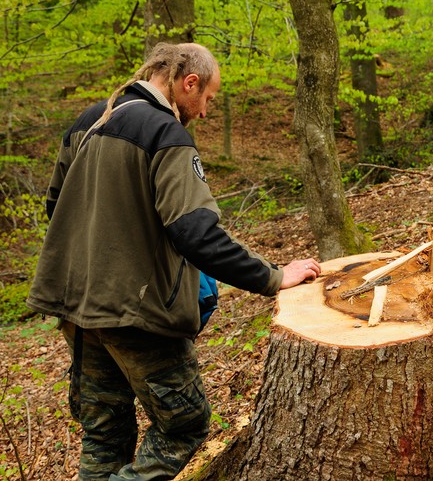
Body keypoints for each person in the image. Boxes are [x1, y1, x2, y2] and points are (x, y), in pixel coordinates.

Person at [27, 42, 321, 481]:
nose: (205, 112)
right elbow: (196, 233)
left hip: (77, 312)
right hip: (136, 317)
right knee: (185, 426)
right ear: (189, 83)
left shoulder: (88, 122)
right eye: (208, 99)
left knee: (105, 434)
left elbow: (56, 208)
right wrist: (274, 276)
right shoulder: (165, 133)